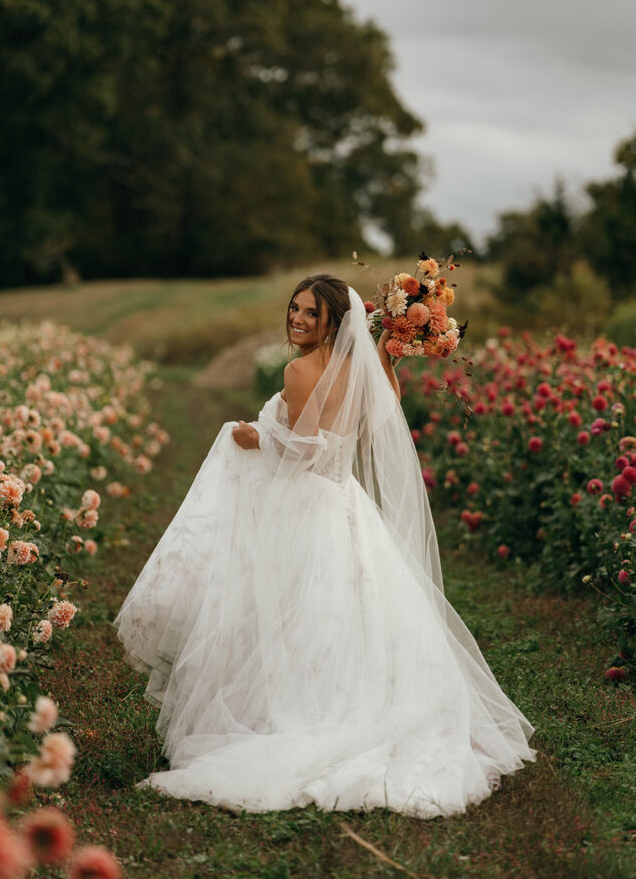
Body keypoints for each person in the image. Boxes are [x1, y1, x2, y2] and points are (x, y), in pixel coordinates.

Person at [114, 273, 535, 817]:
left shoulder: (297, 370)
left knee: (284, 612)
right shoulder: (370, 371)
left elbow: (300, 453)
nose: (297, 320)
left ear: (334, 322)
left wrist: (256, 436)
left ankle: (282, 719)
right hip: (345, 503)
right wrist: (387, 357)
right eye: (294, 309)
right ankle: (355, 710)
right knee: (349, 613)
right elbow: (368, 424)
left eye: (310, 313)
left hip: (304, 504)